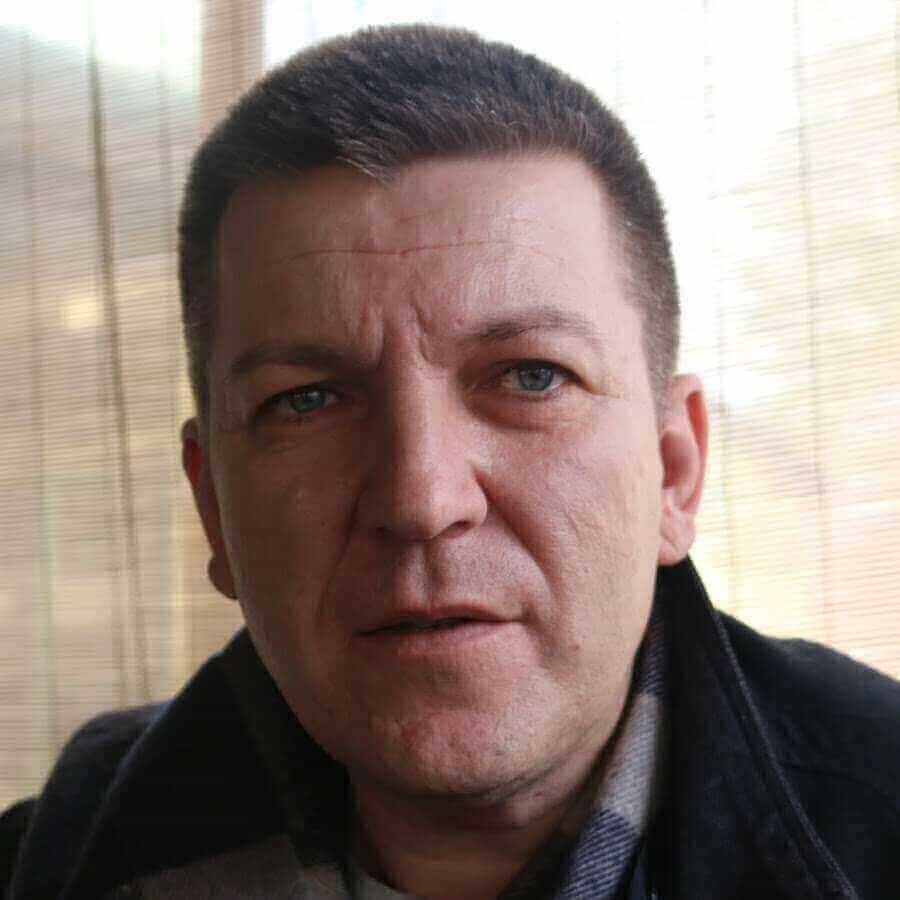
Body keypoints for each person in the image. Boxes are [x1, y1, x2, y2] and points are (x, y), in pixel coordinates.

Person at [2, 22, 898, 900]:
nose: (421, 498)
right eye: (306, 400)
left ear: (674, 471)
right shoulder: (47, 863)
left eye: (531, 376)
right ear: (213, 509)